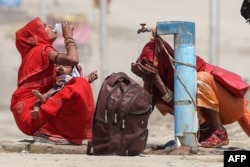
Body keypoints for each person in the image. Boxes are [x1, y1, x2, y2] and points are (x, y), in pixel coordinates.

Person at [131, 29, 250, 148]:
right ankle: (205, 129)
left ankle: (219, 132)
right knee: (166, 101)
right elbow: (145, 110)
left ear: (159, 60)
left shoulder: (183, 64)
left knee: (200, 79)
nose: (146, 67)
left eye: (148, 62)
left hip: (231, 105)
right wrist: (147, 80)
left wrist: (156, 78)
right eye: (143, 63)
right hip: (217, 110)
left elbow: (183, 100)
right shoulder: (157, 77)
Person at [10, 17, 98, 145]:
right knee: (79, 84)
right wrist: (68, 37)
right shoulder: (41, 50)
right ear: (37, 36)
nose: (51, 26)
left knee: (80, 85)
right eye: (45, 26)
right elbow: (73, 60)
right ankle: (47, 132)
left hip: (29, 113)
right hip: (31, 112)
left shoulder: (37, 52)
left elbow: (61, 86)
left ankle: (55, 131)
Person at [31, 64, 98, 119]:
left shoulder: (75, 79)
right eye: (58, 66)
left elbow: (81, 83)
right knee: (38, 100)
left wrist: (89, 78)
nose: (61, 67)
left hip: (66, 100)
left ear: (72, 70)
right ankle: (36, 110)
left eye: (66, 66)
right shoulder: (54, 77)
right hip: (56, 90)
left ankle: (43, 99)